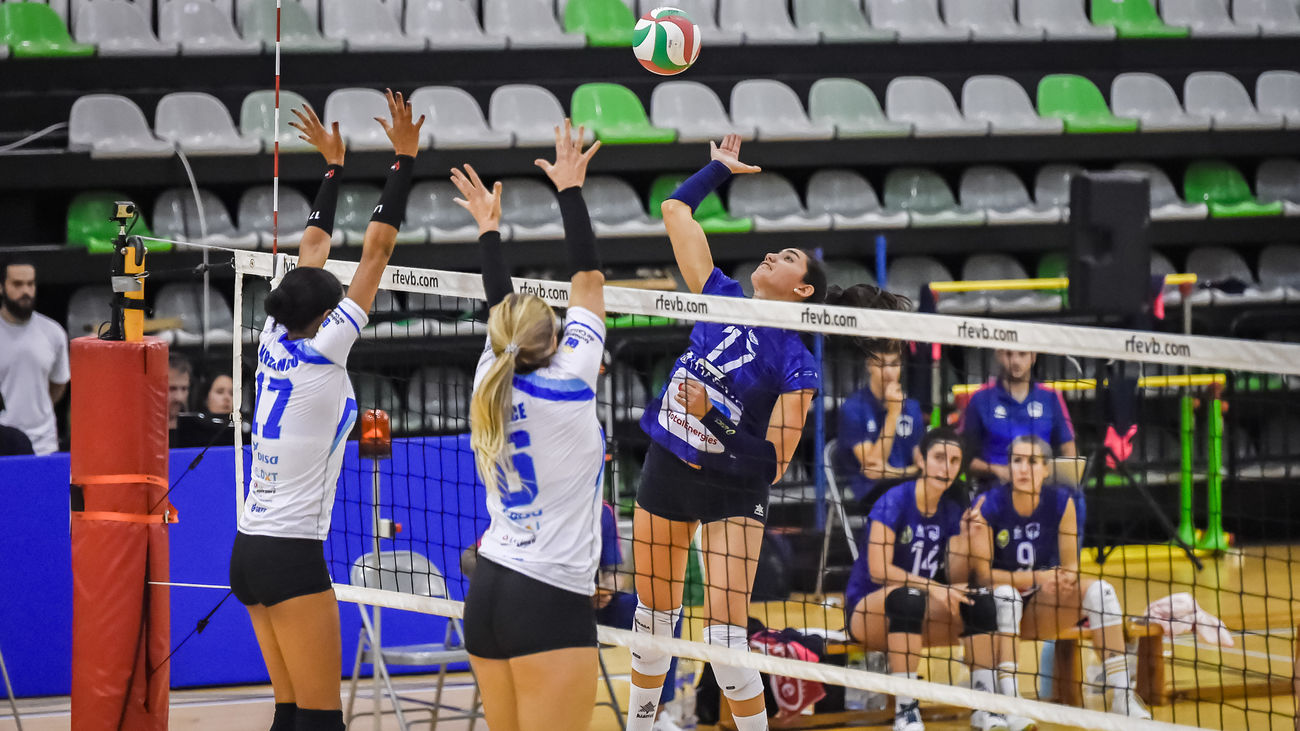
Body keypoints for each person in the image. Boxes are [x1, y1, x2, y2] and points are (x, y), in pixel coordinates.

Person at [628, 136, 909, 731]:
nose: (771, 258)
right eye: (775, 253)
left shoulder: (796, 363)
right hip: (669, 466)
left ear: (802, 291)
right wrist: (718, 169)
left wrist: (712, 415)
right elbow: (676, 212)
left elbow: (772, 463)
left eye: (786, 258)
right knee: (652, 625)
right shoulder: (720, 294)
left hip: (733, 491)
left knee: (726, 639)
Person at [228, 91, 422, 731]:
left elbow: (312, 249)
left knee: (290, 712)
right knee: (318, 721)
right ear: (326, 317)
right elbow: (375, 255)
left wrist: (333, 171)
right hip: (289, 556)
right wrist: (402, 161)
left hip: (248, 551)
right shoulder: (324, 352)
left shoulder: (274, 334)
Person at [455, 120, 608, 731]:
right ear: (558, 339)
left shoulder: (488, 373)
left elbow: (507, 312)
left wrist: (488, 230)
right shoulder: (570, 383)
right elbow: (591, 279)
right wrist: (569, 189)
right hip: (548, 598)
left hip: (488, 589)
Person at [968, 435, 1149, 730]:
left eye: (1032, 462)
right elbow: (983, 575)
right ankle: (1010, 704)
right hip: (994, 608)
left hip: (1040, 606)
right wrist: (1038, 577)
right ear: (1008, 466)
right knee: (1006, 596)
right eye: (1017, 461)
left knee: (1101, 592)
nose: (1024, 469)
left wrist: (1064, 580)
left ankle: (1123, 698)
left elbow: (1071, 567)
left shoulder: (1061, 502)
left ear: (1046, 469)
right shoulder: (990, 504)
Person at [844, 426, 998, 731]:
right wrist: (934, 587)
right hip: (867, 611)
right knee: (907, 597)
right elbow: (878, 569)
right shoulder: (894, 501)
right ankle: (906, 708)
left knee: (978, 600)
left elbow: (961, 577)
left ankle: (986, 703)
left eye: (955, 461)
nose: (947, 467)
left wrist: (971, 539)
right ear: (922, 460)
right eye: (939, 457)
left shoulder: (953, 508)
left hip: (916, 614)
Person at [960, 350, 1076, 491]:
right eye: (1009, 354)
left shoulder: (1051, 397)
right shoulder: (980, 399)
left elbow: (1068, 448)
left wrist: (1068, 487)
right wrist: (997, 470)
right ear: (998, 355)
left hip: (1042, 492)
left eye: (1022, 354)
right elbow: (965, 459)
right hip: (994, 491)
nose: (1015, 361)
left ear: (1033, 357)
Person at [837, 340, 925, 505]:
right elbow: (872, 470)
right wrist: (893, 414)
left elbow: (921, 463)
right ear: (869, 365)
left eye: (894, 364)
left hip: (909, 486)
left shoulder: (912, 407)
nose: (889, 372)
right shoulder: (853, 408)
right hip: (872, 493)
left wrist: (899, 471)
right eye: (882, 365)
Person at [0, 260, 69, 455]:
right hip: (3, 444)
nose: (26, 292)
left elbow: (59, 384)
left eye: (30, 284)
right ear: (2, 287)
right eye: (17, 284)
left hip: (44, 444)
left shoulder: (53, 333)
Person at [168, 353, 193, 431]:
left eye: (184, 389)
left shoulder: (197, 431)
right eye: (172, 389)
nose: (179, 397)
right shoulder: (140, 430)